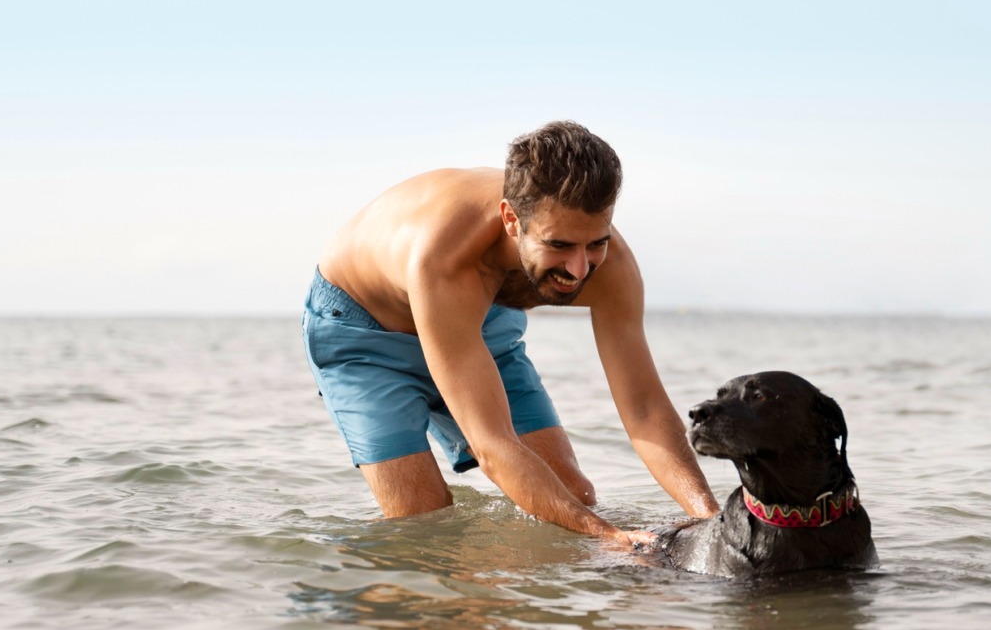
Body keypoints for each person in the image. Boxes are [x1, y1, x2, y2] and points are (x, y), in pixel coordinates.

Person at [302, 120, 720, 549]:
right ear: (510, 219)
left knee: (574, 496)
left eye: (596, 242)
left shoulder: (610, 267)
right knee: (422, 521)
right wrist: (608, 535)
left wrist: (710, 519)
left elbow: (646, 409)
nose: (579, 270)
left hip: (482, 319)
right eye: (558, 245)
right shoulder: (445, 258)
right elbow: (492, 445)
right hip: (364, 334)